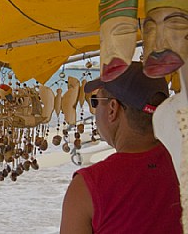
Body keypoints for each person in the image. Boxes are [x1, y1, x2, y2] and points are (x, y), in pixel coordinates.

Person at [60, 62, 182, 233]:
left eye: (96, 101)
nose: (95, 110)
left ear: (112, 109)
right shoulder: (181, 165)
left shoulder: (87, 189)